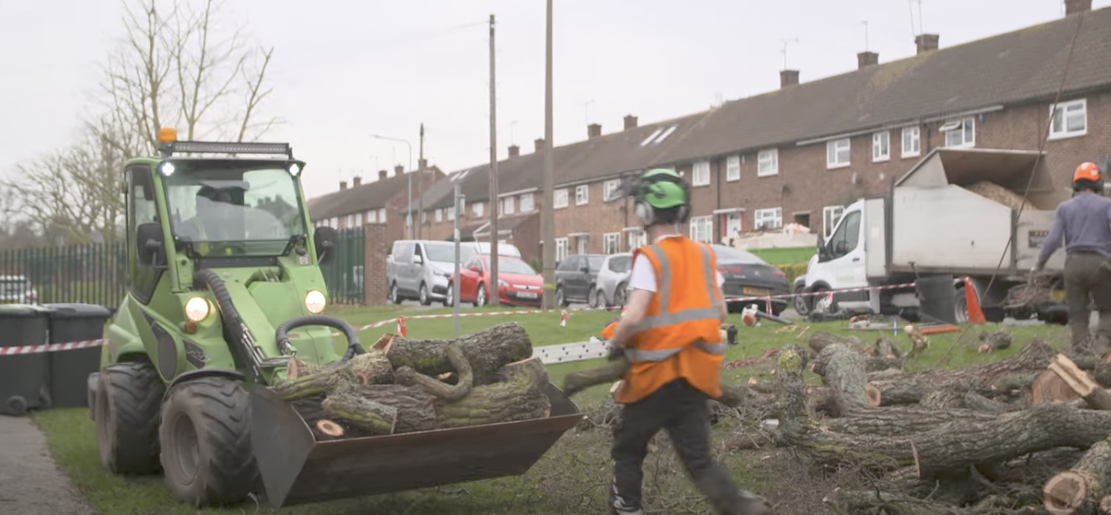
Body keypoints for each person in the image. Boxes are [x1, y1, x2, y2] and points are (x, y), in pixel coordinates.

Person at [603, 168, 772, 515]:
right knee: (699, 462)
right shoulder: (705, 255)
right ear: (682, 211)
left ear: (644, 212)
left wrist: (616, 343)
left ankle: (627, 510)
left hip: (655, 379)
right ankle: (744, 508)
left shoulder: (651, 258)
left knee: (628, 450)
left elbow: (634, 316)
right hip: (695, 379)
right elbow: (720, 312)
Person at [1035, 161, 1111, 356]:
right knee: (1107, 309)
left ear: (1076, 184)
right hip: (1101, 264)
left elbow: (1052, 240)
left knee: (1078, 315)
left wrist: (1039, 264)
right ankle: (1102, 349)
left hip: (1073, 264)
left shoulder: (1064, 208)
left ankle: (1081, 355)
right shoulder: (1107, 205)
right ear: (1098, 184)